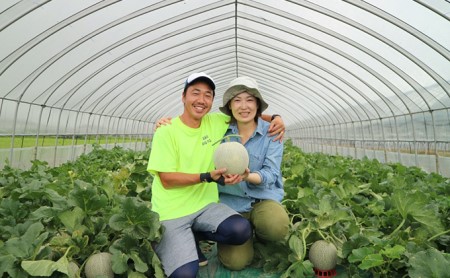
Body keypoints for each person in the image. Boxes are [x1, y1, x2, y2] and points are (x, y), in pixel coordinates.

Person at [147, 72, 285, 278]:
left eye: (208, 95)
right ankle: (167, 240)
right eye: (195, 93)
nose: (201, 100)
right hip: (173, 212)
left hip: (206, 206)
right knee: (188, 274)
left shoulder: (216, 123)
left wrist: (276, 118)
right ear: (183, 96)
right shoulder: (168, 131)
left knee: (248, 229)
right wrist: (207, 176)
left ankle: (203, 236)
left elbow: (246, 115)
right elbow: (166, 180)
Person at [215, 76, 290, 271]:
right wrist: (165, 123)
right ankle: (244, 237)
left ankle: (261, 234)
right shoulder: (218, 131)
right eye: (237, 100)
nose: (244, 106)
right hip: (232, 204)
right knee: (235, 262)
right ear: (230, 106)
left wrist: (247, 176)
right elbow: (190, 121)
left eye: (249, 100)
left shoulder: (272, 132)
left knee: (276, 226)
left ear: (257, 104)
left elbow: (271, 174)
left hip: (262, 199)